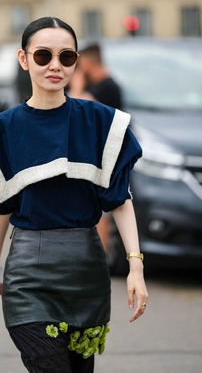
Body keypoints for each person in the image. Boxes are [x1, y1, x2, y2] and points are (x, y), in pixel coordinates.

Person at [0, 17, 149, 373]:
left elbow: (120, 200)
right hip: (27, 275)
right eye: (44, 55)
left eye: (66, 57)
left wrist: (135, 266)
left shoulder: (101, 122)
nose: (54, 66)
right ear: (23, 59)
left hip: (86, 271)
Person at [67, 42, 123, 254]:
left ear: (88, 63)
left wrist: (77, 87)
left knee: (101, 211)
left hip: (104, 156)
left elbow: (77, 107)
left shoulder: (109, 87)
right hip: (87, 153)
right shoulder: (94, 85)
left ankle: (99, 259)